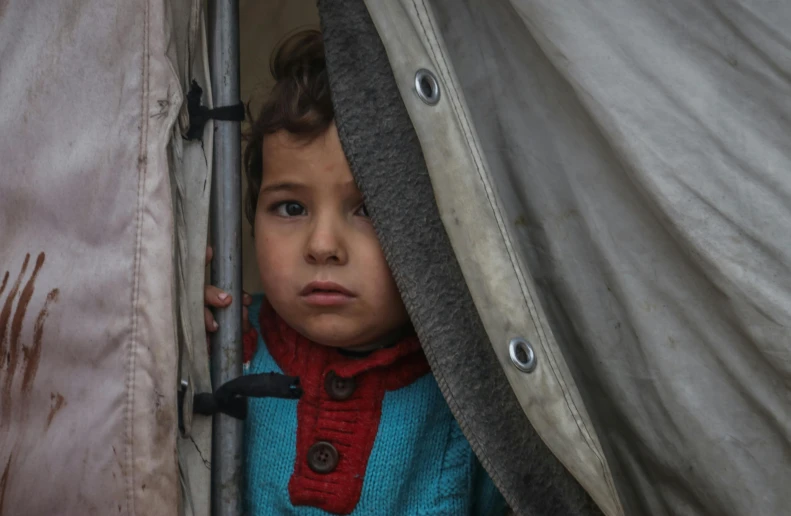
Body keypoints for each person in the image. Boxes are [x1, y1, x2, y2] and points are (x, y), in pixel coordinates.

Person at [204, 29, 507, 515]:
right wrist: (177, 326)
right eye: (290, 207)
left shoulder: (476, 384)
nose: (323, 246)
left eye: (369, 210)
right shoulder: (229, 343)